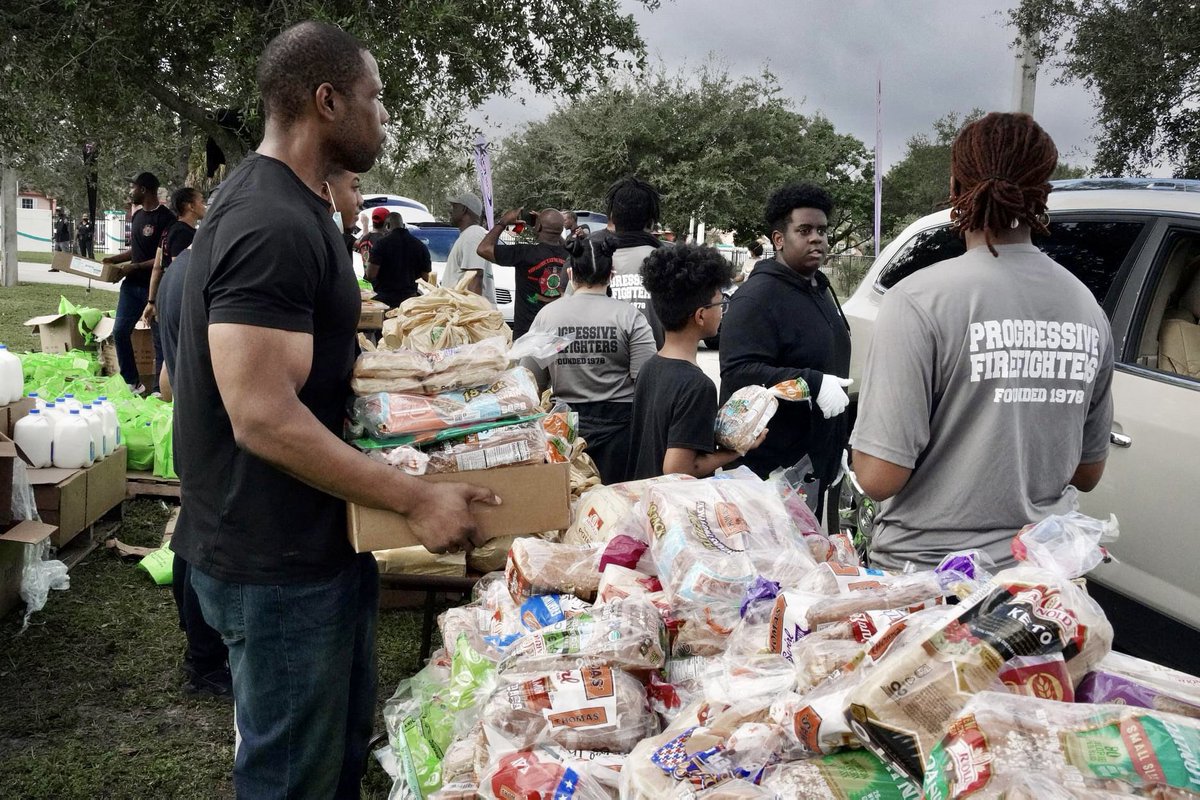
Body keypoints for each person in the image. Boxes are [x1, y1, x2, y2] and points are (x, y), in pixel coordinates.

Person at [172, 22, 499, 799]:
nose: (385, 117)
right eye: (375, 98)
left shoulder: (296, 208)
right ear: (327, 101)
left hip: (317, 541)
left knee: (335, 759)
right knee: (293, 780)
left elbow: (304, 369)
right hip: (275, 560)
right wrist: (414, 498)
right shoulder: (271, 221)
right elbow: (260, 415)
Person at [850, 111, 1115, 571]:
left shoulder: (917, 300)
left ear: (955, 188)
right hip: (1040, 586)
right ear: (1042, 194)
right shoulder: (1087, 307)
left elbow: (878, 477)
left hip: (931, 585)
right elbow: (1087, 472)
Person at [718, 184, 853, 515]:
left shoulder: (819, 289)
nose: (816, 239)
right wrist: (812, 383)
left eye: (822, 230)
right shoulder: (756, 298)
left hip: (814, 462)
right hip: (769, 473)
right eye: (804, 230)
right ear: (779, 239)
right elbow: (738, 375)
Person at [522, 231, 656, 483]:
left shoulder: (547, 317)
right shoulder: (630, 317)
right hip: (621, 431)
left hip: (565, 430)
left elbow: (529, 380)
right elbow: (646, 382)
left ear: (571, 275)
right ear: (611, 275)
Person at [628, 244, 764, 480]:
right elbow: (678, 468)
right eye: (720, 304)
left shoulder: (649, 367)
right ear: (701, 315)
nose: (722, 311)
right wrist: (736, 450)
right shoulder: (697, 386)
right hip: (674, 511)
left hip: (645, 501)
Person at [103, 172, 176, 393]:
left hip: (154, 287)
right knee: (120, 331)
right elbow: (137, 249)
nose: (130, 191)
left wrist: (134, 267)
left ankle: (158, 389)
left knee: (159, 340)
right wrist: (114, 260)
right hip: (130, 287)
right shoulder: (137, 216)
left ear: (144, 189)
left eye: (133, 187)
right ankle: (132, 383)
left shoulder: (167, 219)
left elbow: (163, 255)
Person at [143, 187, 207, 392]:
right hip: (180, 295)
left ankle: (160, 400)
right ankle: (170, 402)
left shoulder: (168, 231)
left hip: (165, 290)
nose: (204, 205)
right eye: (201, 201)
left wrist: (152, 301)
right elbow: (184, 269)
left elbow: (157, 267)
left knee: (167, 356)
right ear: (190, 206)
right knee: (177, 359)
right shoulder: (185, 234)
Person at [477, 207, 569, 339]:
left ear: (538, 227)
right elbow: (560, 242)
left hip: (527, 335)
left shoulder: (525, 252)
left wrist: (503, 222)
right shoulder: (571, 256)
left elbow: (483, 248)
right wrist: (550, 227)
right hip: (559, 334)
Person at [606, 176, 669, 347]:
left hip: (599, 371)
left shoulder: (589, 259)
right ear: (651, 220)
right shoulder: (670, 263)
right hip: (655, 369)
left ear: (612, 217)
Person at [368, 211, 431, 308]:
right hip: (409, 301)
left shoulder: (381, 244)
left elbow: (371, 274)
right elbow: (426, 278)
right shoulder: (420, 246)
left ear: (388, 225)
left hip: (384, 301)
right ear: (403, 225)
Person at [441, 192, 496, 305]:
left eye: (455, 207)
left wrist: (471, 318)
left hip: (469, 317)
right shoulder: (469, 235)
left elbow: (475, 277)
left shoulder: (473, 235)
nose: (451, 211)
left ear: (464, 209)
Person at [321, 167, 364, 253]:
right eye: (355, 187)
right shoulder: (314, 246)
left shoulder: (341, 239)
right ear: (326, 191)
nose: (361, 200)